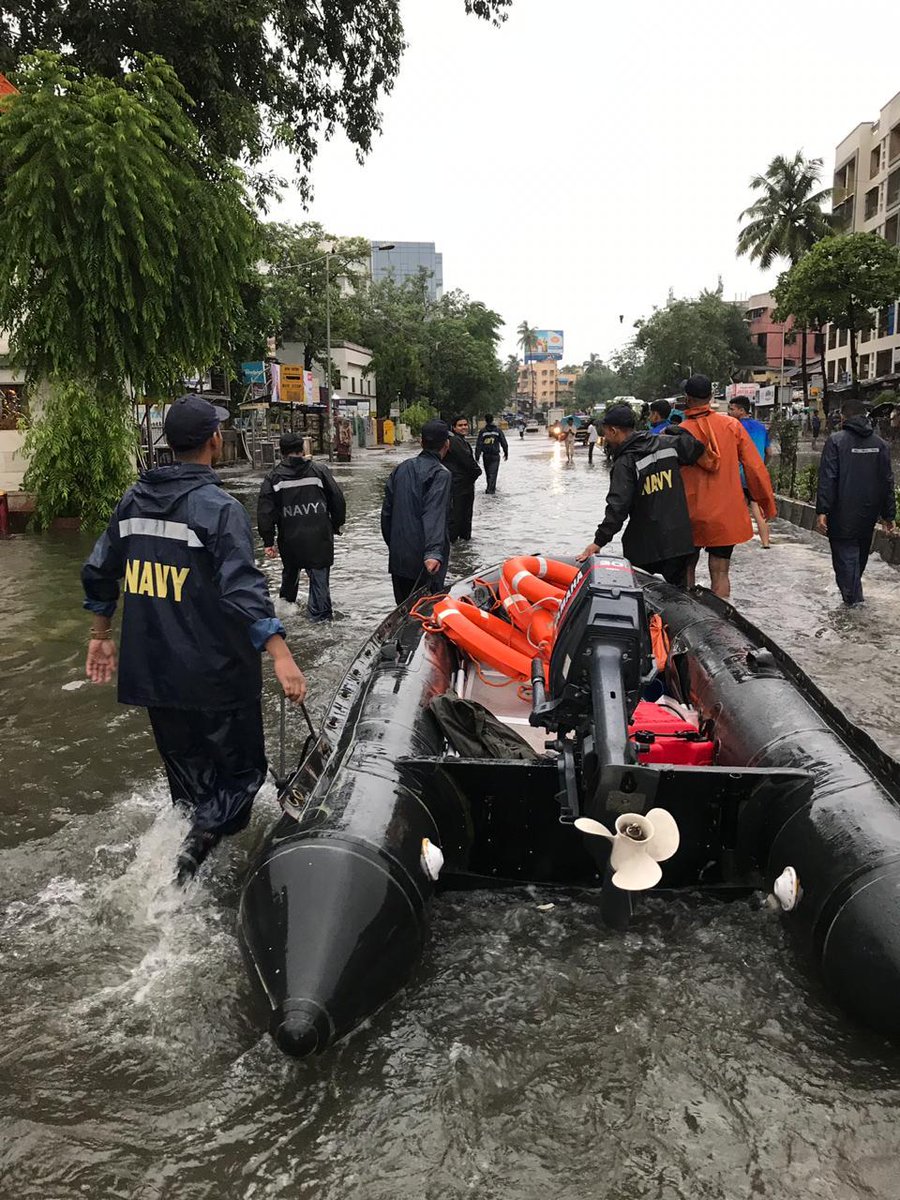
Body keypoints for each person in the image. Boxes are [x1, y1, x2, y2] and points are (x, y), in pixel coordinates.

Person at [81, 395, 307, 884]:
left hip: (154, 677)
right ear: (213, 441)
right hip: (215, 678)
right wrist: (280, 651)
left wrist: (100, 635)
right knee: (243, 779)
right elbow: (244, 586)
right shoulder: (220, 509)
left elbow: (99, 570)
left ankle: (184, 869)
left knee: (189, 790)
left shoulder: (133, 499)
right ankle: (191, 857)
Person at [576, 404, 714, 586]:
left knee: (643, 599)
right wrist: (676, 430)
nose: (605, 437)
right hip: (678, 540)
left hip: (644, 547)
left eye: (606, 433)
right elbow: (695, 448)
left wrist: (598, 541)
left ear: (614, 431)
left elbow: (618, 507)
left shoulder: (625, 463)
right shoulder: (666, 443)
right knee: (680, 597)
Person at [678, 375, 777, 600]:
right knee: (720, 572)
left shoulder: (679, 432)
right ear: (711, 398)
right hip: (725, 512)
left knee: (687, 569)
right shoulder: (732, 426)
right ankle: (720, 626)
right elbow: (755, 467)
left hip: (688, 512)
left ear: (687, 399)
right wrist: (766, 504)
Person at [257, 432, 346, 621]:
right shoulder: (319, 471)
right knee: (319, 581)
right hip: (319, 539)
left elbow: (265, 511)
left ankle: (285, 613)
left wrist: (268, 541)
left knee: (290, 575)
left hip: (290, 540)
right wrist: (336, 524)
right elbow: (337, 500)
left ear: (281, 452)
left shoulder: (274, 477)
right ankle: (321, 622)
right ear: (303, 450)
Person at [815, 399, 895, 606]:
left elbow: (828, 477)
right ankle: (853, 601)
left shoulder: (836, 441)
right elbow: (887, 480)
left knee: (845, 562)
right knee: (857, 562)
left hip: (841, 515)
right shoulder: (880, 444)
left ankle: (854, 607)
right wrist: (889, 515)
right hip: (868, 515)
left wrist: (823, 510)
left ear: (843, 417)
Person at [381, 418, 453, 603]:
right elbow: (434, 513)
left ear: (422, 443)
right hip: (425, 562)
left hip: (399, 559)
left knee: (403, 613)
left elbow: (386, 514)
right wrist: (433, 553)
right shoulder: (441, 473)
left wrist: (395, 546)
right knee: (425, 616)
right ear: (447, 444)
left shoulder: (401, 468)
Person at [727, 395, 772, 550]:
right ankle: (765, 542)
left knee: (733, 510)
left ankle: (731, 542)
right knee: (757, 510)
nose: (729, 412)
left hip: (738, 475)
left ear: (742, 410)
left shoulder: (733, 427)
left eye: (732, 409)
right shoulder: (761, 428)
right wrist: (762, 466)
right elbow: (769, 452)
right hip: (756, 475)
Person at [444, 415, 482, 541]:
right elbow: (467, 461)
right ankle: (454, 543)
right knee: (457, 516)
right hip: (458, 485)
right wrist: (478, 471)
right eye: (460, 425)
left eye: (465, 425)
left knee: (465, 517)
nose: (464, 427)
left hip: (465, 484)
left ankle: (463, 547)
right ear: (454, 428)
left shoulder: (462, 441)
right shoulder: (455, 441)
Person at [475, 414, 509, 493]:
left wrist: (477, 456)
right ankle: (491, 490)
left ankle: (489, 488)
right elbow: (504, 442)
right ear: (492, 420)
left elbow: (479, 444)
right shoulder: (498, 431)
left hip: (486, 455)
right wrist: (506, 453)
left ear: (485, 420)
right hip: (495, 455)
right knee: (493, 473)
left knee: (488, 473)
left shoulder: (482, 431)